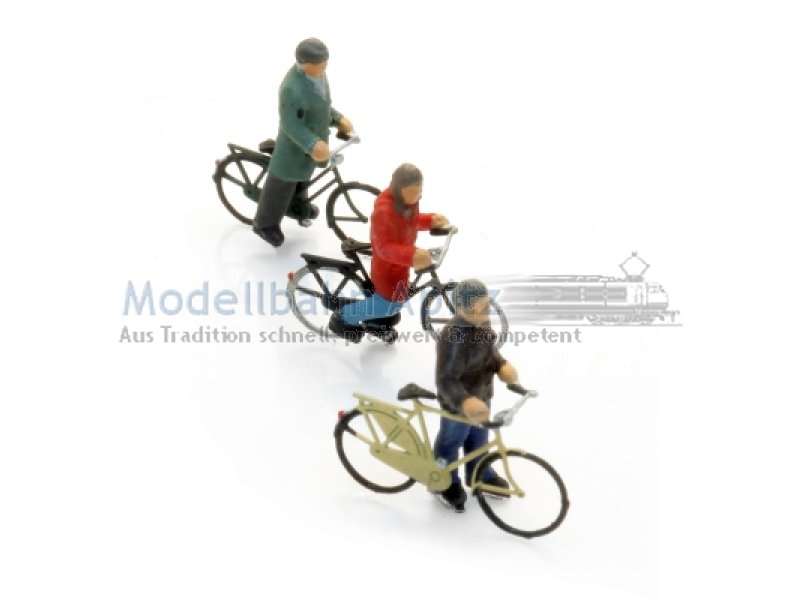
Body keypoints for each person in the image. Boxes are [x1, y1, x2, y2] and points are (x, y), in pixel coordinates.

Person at [328, 163, 448, 342]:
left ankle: (375, 323)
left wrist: (430, 221)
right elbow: (383, 248)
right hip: (387, 270)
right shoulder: (384, 211)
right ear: (399, 190)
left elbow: (410, 221)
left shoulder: (406, 202)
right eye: (412, 193)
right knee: (390, 306)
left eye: (419, 193)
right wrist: (412, 255)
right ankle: (343, 317)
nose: (416, 198)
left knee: (395, 303)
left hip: (400, 266)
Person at [252, 38, 353, 247]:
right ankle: (265, 224)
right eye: (320, 64)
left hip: (313, 145)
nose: (325, 67)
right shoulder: (292, 88)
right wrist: (312, 144)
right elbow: (290, 124)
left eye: (325, 63)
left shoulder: (318, 76)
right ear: (305, 64)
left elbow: (321, 108)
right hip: (293, 146)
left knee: (303, 176)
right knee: (282, 183)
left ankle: (297, 204)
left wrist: (338, 119)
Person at [432, 279, 519, 512]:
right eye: (478, 308)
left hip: (482, 395)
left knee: (479, 441)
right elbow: (445, 379)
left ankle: (480, 472)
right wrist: (465, 401)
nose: (485, 311)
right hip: (458, 405)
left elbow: (490, 353)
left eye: (486, 306)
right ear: (461, 308)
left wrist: (502, 365)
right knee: (451, 442)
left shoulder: (482, 323)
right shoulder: (452, 336)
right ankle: (443, 479)